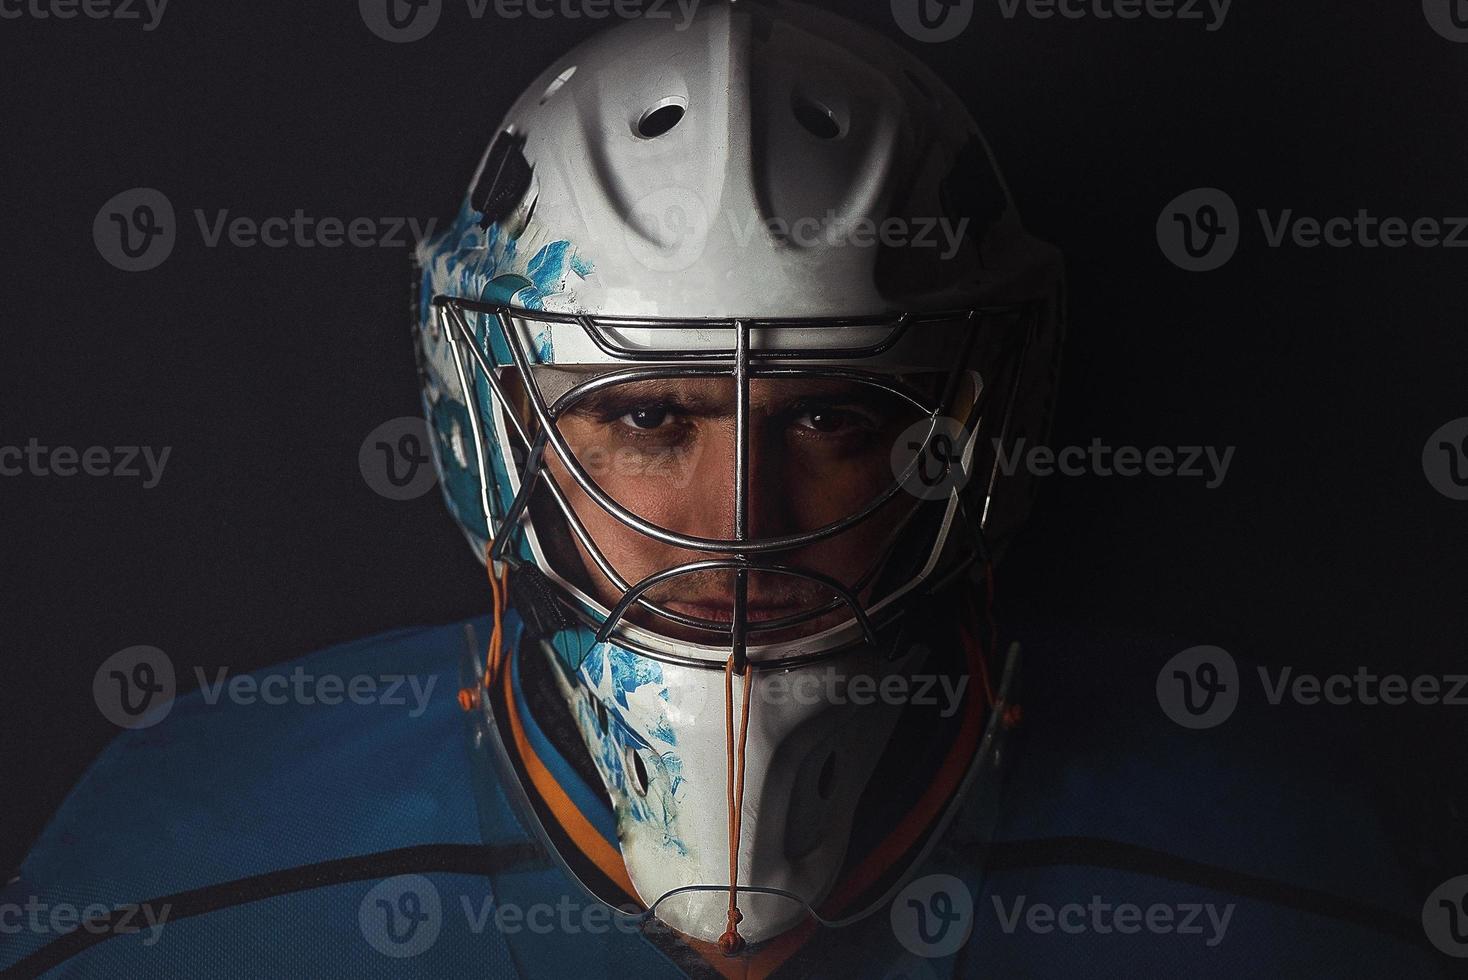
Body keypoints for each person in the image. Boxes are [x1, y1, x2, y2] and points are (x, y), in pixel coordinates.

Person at [1, 3, 1441, 977]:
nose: (738, 511)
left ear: (971, 429)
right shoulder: (181, 867)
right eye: (643, 417)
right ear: (483, 426)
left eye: (830, 413)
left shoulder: (1262, 870)